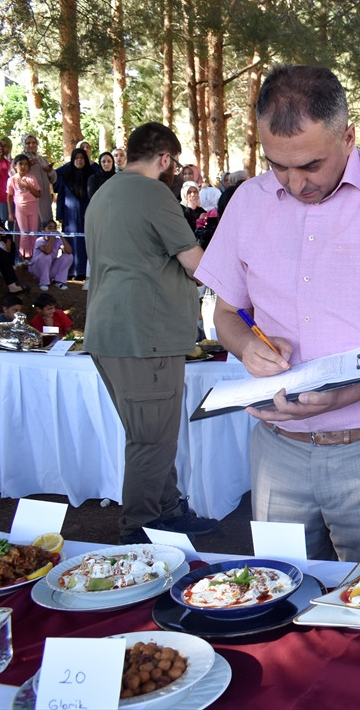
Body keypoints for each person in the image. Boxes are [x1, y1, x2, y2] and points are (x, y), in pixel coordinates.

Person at [194, 64, 360, 564]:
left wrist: (340, 398)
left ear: (349, 136)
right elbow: (226, 313)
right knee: (280, 600)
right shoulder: (248, 201)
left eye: (311, 164)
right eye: (278, 165)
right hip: (277, 450)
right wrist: (248, 344)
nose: (295, 183)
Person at [84, 121, 219, 545]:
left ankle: (167, 510)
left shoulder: (103, 193)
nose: (173, 172)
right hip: (146, 333)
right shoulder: (153, 193)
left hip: (111, 332)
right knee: (151, 440)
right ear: (164, 158)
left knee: (152, 434)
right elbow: (194, 262)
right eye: (173, 164)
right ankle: (140, 531)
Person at [56, 148, 91, 279]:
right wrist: (59, 215)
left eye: (82, 158)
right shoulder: (66, 175)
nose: (79, 161)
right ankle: (72, 271)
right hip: (69, 215)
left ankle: (84, 271)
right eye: (76, 158)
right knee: (72, 242)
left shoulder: (91, 175)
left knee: (85, 242)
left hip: (86, 213)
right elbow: (60, 196)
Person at [6, 154, 42, 261]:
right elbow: (9, 196)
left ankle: (33, 256)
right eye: (20, 164)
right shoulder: (12, 180)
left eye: (26, 164)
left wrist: (27, 186)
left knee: (33, 233)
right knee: (24, 233)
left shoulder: (32, 179)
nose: (23, 166)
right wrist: (10, 213)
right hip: (20, 208)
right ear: (15, 166)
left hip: (32, 207)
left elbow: (38, 194)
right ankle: (24, 257)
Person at [22, 134, 57, 226]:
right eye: (28, 143)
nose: (31, 145)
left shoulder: (42, 159)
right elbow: (14, 175)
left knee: (45, 222)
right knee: (32, 225)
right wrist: (27, 165)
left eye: (34, 143)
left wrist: (49, 171)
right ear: (23, 144)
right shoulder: (20, 160)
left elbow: (53, 179)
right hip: (29, 197)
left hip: (44, 197)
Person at [30, 219, 72, 290]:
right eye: (50, 228)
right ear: (43, 231)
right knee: (46, 256)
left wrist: (61, 237)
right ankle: (43, 282)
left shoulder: (58, 241)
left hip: (49, 269)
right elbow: (47, 251)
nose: (53, 230)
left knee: (68, 256)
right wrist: (52, 238)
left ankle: (58, 281)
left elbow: (69, 251)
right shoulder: (40, 240)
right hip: (37, 270)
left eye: (54, 228)